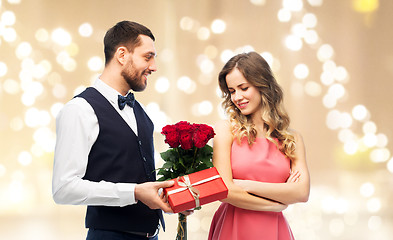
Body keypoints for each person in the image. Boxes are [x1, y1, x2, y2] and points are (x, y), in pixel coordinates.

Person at [52, 20, 175, 240]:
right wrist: (134, 193)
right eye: (148, 56)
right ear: (121, 55)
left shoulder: (141, 110)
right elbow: (64, 188)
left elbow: (135, 173)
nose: (154, 66)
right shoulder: (80, 110)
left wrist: (175, 197)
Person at [208, 52, 310, 240]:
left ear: (263, 85)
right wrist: (276, 203)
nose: (237, 97)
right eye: (231, 91)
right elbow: (223, 191)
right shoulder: (225, 130)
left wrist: (244, 185)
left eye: (243, 88)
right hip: (234, 227)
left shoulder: (292, 138)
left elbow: (302, 192)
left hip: (275, 230)